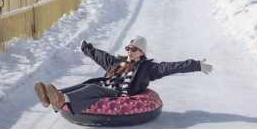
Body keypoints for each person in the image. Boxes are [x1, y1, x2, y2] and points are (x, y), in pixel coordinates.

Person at [34, 36, 213, 114]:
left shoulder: (147, 68)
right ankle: (51, 96)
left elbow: (171, 67)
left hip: (119, 94)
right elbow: (101, 56)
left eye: (133, 49)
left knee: (91, 87)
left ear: (141, 53)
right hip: (105, 87)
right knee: (84, 85)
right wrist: (87, 48)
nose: (129, 51)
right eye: (128, 48)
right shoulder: (118, 62)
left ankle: (61, 98)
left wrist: (196, 65)